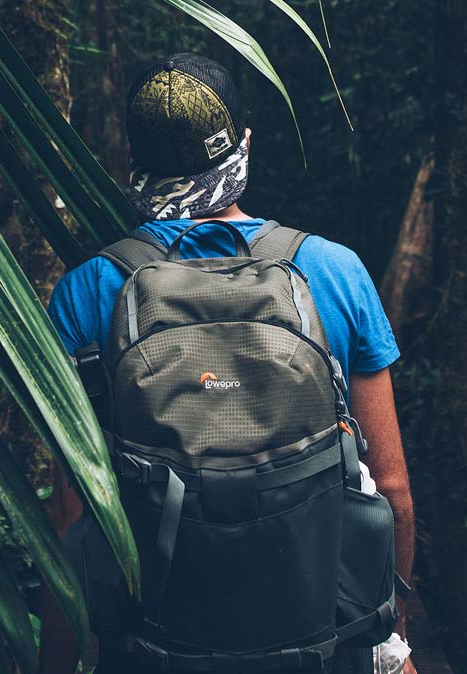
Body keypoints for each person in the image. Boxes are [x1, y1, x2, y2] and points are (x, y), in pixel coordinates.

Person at [39, 52, 417, 674]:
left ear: (133, 157)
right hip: (322, 642)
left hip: (154, 650)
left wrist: (56, 662)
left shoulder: (88, 289)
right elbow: (394, 489)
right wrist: (391, 634)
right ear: (244, 142)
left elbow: (70, 513)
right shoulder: (333, 270)